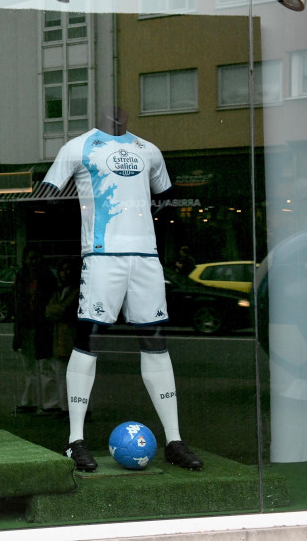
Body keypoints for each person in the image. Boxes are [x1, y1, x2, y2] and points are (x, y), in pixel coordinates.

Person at [43, 106, 203, 472]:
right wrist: (90, 223)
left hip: (145, 257)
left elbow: (165, 196)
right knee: (90, 340)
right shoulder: (78, 147)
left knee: (155, 342)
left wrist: (140, 222)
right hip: (102, 257)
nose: (117, 110)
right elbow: (48, 195)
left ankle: (174, 440)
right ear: (96, 109)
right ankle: (74, 440)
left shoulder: (149, 149)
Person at [12, 247, 58, 414]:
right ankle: (30, 402)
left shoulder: (47, 278)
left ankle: (50, 404)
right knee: (30, 367)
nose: (32, 261)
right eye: (30, 258)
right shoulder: (21, 277)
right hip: (26, 327)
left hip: (42, 327)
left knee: (45, 365)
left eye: (35, 258)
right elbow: (18, 306)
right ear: (25, 260)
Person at [45, 259, 83, 418]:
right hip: (59, 339)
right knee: (61, 376)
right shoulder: (58, 291)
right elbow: (48, 311)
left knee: (78, 377)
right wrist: (58, 310)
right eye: (62, 270)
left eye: (68, 270)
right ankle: (65, 408)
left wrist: (57, 310)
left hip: (74, 339)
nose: (65, 273)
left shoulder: (79, 291)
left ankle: (78, 409)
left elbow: (64, 311)